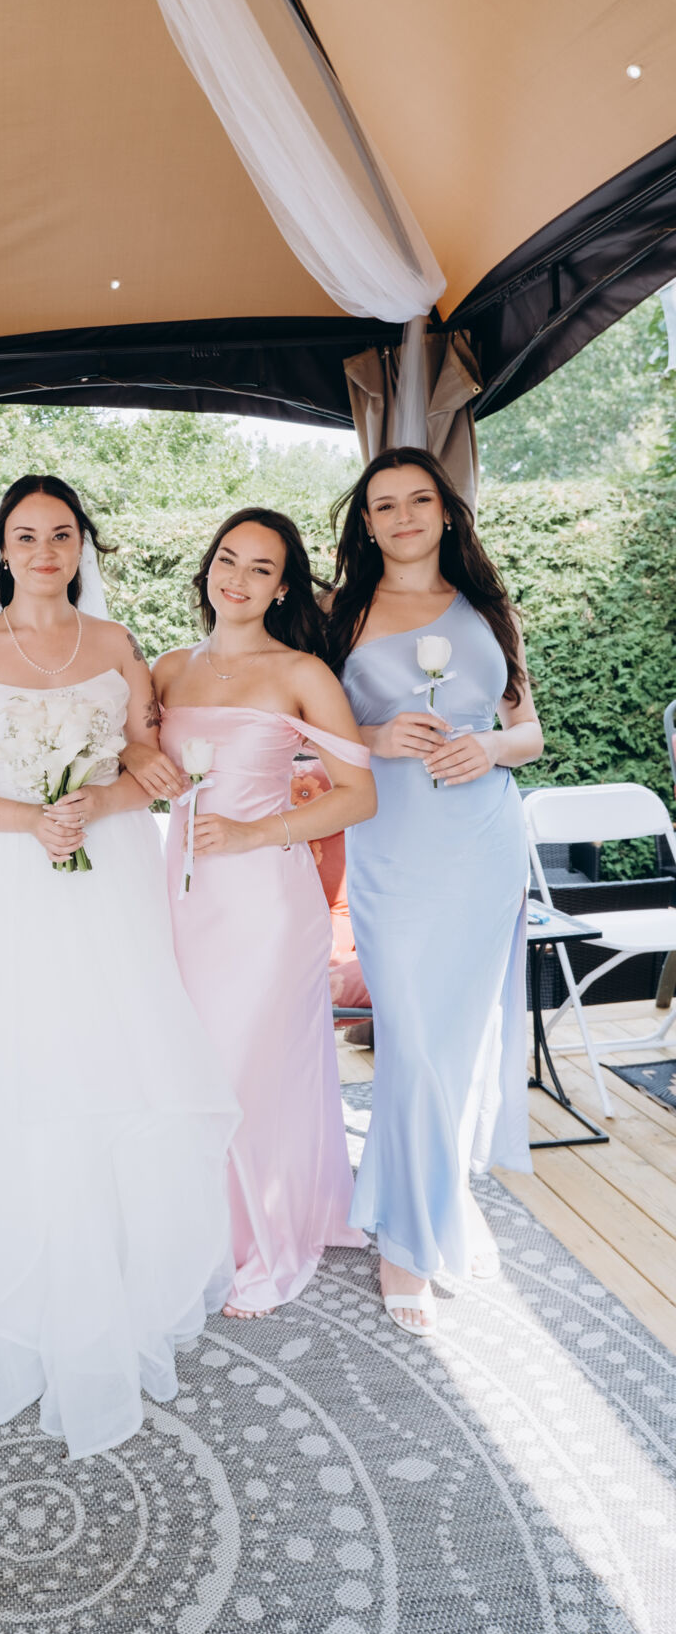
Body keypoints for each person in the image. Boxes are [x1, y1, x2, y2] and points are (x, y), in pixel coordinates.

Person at [0, 475, 239, 1459]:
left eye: (60, 534)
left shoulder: (115, 645)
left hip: (112, 871)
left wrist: (103, 801)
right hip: (8, 881)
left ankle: (115, 1256)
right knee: (23, 1053)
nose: (43, 551)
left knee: (116, 1049)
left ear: (81, 546)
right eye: (25, 536)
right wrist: (28, 819)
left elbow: (149, 765)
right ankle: (24, 1258)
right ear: (2, 548)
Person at [121, 508, 375, 1317]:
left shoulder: (302, 672)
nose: (237, 578)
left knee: (249, 1065)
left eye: (260, 568)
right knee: (189, 1062)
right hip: (182, 895)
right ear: (208, 568)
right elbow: (129, 750)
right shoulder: (166, 669)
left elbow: (358, 795)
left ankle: (265, 1241)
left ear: (283, 587)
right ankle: (199, 1227)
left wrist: (254, 831)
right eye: (228, 559)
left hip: (266, 898)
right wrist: (141, 759)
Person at [327, 447, 543, 1334]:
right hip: (394, 845)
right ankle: (406, 1241)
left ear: (446, 511)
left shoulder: (492, 608)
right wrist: (374, 738)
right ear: (366, 522)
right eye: (385, 504)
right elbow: (302, 728)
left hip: (483, 842)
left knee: (459, 1039)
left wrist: (487, 746)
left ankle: (440, 1199)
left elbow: (529, 732)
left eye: (420, 499)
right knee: (412, 1039)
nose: (404, 515)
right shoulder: (339, 613)